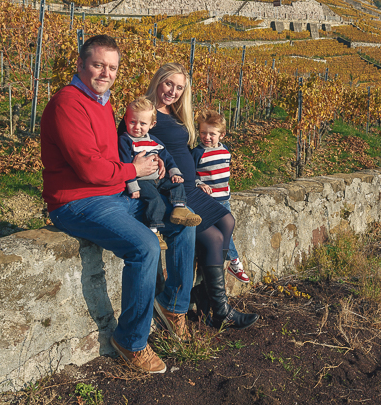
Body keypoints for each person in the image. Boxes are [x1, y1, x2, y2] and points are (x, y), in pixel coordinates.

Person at [40, 35, 196, 374]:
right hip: (78, 202)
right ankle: (131, 341)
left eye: (112, 67)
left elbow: (110, 158)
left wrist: (143, 173)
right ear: (81, 65)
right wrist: (134, 170)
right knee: (144, 246)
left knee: (181, 221)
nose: (105, 73)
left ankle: (173, 305)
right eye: (98, 65)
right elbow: (88, 168)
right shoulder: (68, 104)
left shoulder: (100, 102)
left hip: (111, 194)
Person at [147, 63, 258, 330]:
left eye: (179, 87)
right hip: (171, 190)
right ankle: (219, 310)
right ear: (157, 81)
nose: (173, 91)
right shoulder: (146, 111)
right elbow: (128, 142)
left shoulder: (175, 112)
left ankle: (205, 296)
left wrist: (196, 179)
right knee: (215, 237)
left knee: (227, 220)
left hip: (191, 186)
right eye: (168, 84)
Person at [117, 95, 201, 232]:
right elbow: (125, 162)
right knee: (155, 200)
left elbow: (167, 157)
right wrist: (133, 186)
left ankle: (179, 208)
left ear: (152, 124)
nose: (137, 127)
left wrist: (174, 172)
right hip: (141, 181)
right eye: (132, 122)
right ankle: (154, 229)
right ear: (126, 120)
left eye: (143, 124)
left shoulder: (154, 141)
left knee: (177, 184)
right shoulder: (125, 140)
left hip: (158, 179)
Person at [192, 109, 250, 283]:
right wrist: (199, 183)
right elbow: (190, 174)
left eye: (212, 134)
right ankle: (234, 262)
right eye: (203, 133)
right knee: (222, 235)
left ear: (222, 134)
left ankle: (222, 265)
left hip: (224, 198)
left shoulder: (225, 150)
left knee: (227, 232)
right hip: (208, 202)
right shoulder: (197, 153)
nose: (207, 137)